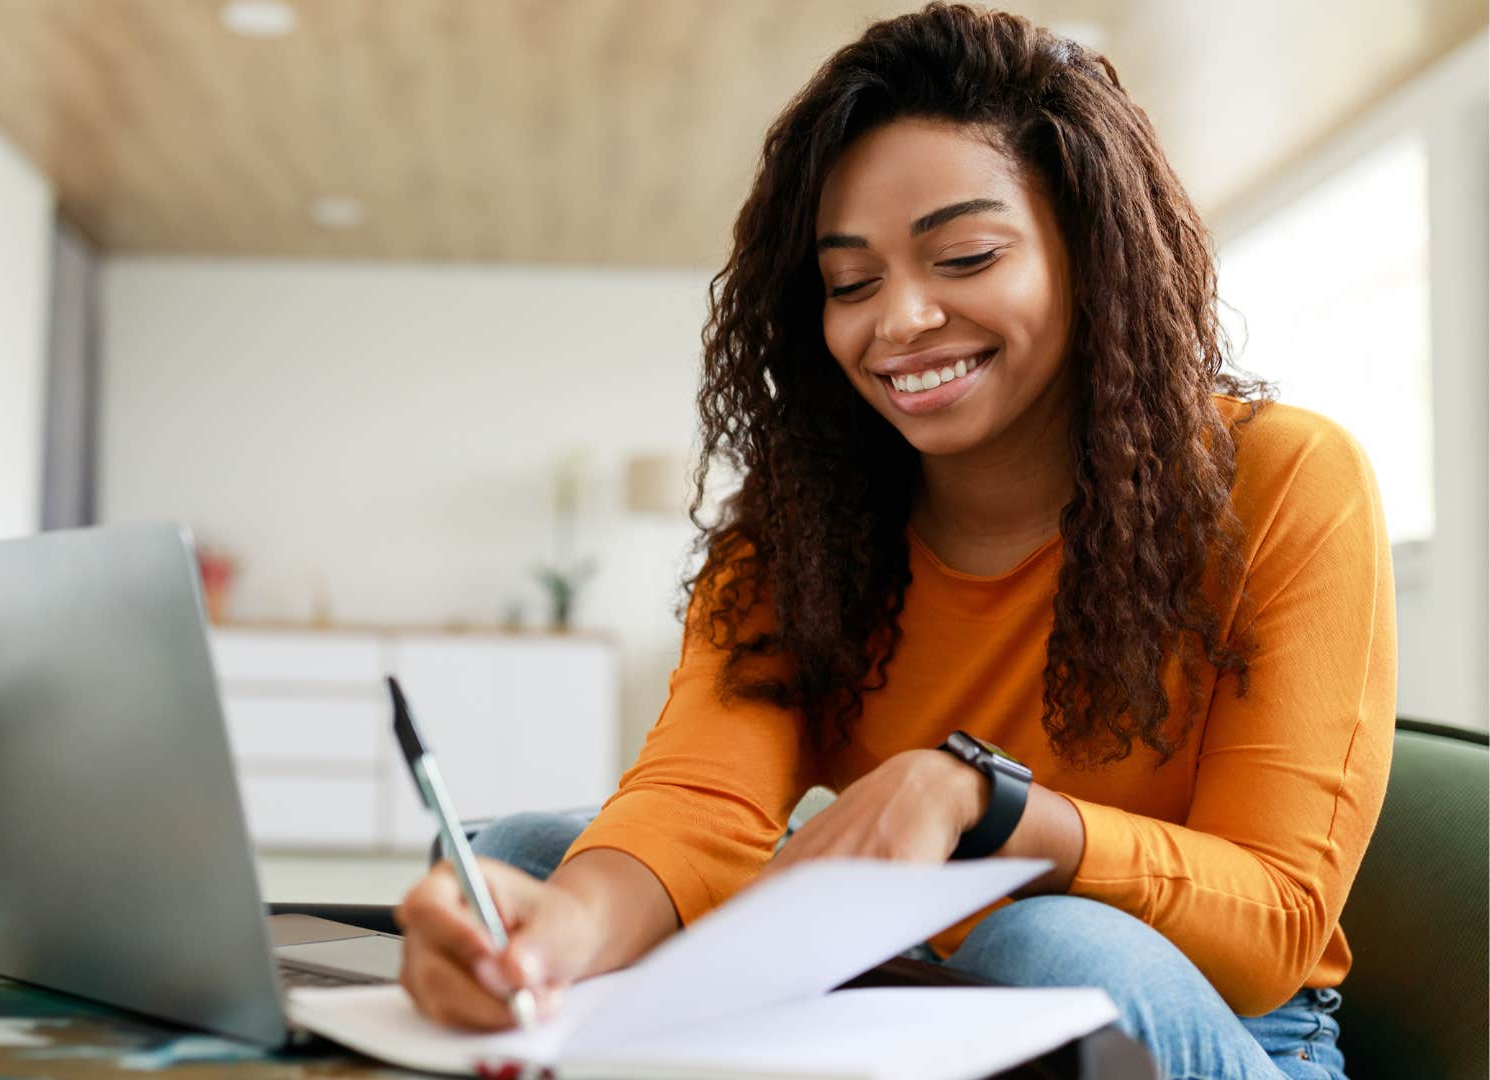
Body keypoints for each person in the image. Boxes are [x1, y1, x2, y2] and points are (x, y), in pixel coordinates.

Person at [393, 6, 1393, 1078]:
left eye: (963, 255)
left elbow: (1277, 926)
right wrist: (555, 944)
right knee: (533, 858)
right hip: (920, 992)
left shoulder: (1287, 479)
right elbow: (699, 797)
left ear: (1091, 253)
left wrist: (990, 804)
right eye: (851, 283)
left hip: (1219, 1028)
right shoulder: (803, 523)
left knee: (1044, 941)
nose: (900, 321)